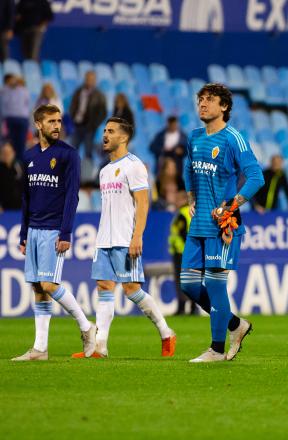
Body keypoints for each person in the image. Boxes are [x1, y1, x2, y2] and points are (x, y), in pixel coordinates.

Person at [71, 117, 176, 359]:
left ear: (124, 137)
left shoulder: (135, 165)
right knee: (104, 286)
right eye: (104, 130)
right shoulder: (105, 170)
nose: (105, 135)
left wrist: (137, 235)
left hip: (124, 238)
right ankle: (100, 346)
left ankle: (166, 331)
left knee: (131, 290)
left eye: (111, 131)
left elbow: (143, 203)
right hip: (104, 239)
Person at [181, 83, 265, 363]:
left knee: (215, 285)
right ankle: (236, 325)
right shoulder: (194, 137)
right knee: (189, 284)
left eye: (210, 100)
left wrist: (232, 204)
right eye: (200, 99)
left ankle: (217, 349)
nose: (202, 104)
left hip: (222, 226)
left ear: (224, 107)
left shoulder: (233, 138)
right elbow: (188, 167)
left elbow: (256, 176)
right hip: (199, 224)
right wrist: (191, 195)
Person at [11, 104, 96, 361]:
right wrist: (24, 233)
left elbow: (72, 196)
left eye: (59, 121)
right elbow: (26, 197)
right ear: (38, 125)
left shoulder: (69, 155)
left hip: (53, 229)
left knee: (49, 284)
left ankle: (85, 326)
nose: (57, 125)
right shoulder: (28, 157)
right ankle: (40, 348)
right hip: (34, 229)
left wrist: (66, 232)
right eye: (51, 121)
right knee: (38, 287)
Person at [69, 70, 107, 159]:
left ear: (95, 80)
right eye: (88, 79)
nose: (89, 81)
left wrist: (94, 125)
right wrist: (73, 117)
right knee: (73, 150)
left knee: (88, 152)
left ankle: (87, 171)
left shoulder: (99, 95)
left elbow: (103, 113)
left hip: (90, 128)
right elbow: (73, 106)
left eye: (92, 79)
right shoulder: (79, 91)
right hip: (77, 125)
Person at [168, 191, 194, 315]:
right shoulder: (192, 212)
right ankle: (194, 308)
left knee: (181, 281)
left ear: (184, 199)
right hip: (192, 252)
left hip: (181, 252)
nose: (176, 201)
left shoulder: (182, 214)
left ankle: (182, 308)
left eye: (178, 198)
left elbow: (182, 233)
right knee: (193, 280)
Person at [1, 74, 31, 159]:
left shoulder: (5, 90)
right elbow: (27, 105)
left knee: (13, 143)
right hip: (20, 119)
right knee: (19, 144)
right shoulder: (24, 91)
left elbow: (3, 105)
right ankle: (18, 165)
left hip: (12, 119)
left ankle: (15, 165)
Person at [0, 141, 23, 211]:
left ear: (13, 153)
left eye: (9, 153)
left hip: (19, 207)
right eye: (4, 153)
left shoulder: (19, 167)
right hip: (3, 208)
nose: (7, 155)